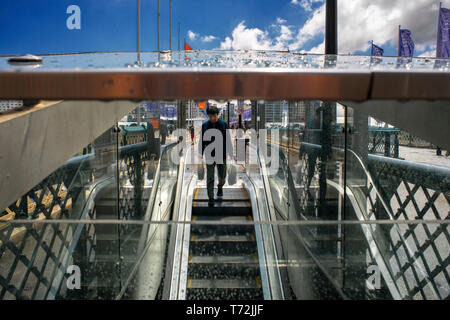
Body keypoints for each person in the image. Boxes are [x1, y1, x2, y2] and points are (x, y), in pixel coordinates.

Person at [199, 106, 233, 207]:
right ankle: (211, 197)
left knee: (222, 176)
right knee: (210, 177)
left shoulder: (223, 124)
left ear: (217, 115)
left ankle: (220, 187)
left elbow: (228, 139)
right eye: (210, 116)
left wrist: (231, 153)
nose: (212, 118)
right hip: (209, 155)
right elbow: (202, 140)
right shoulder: (205, 125)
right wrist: (200, 153)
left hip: (221, 154)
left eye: (214, 116)